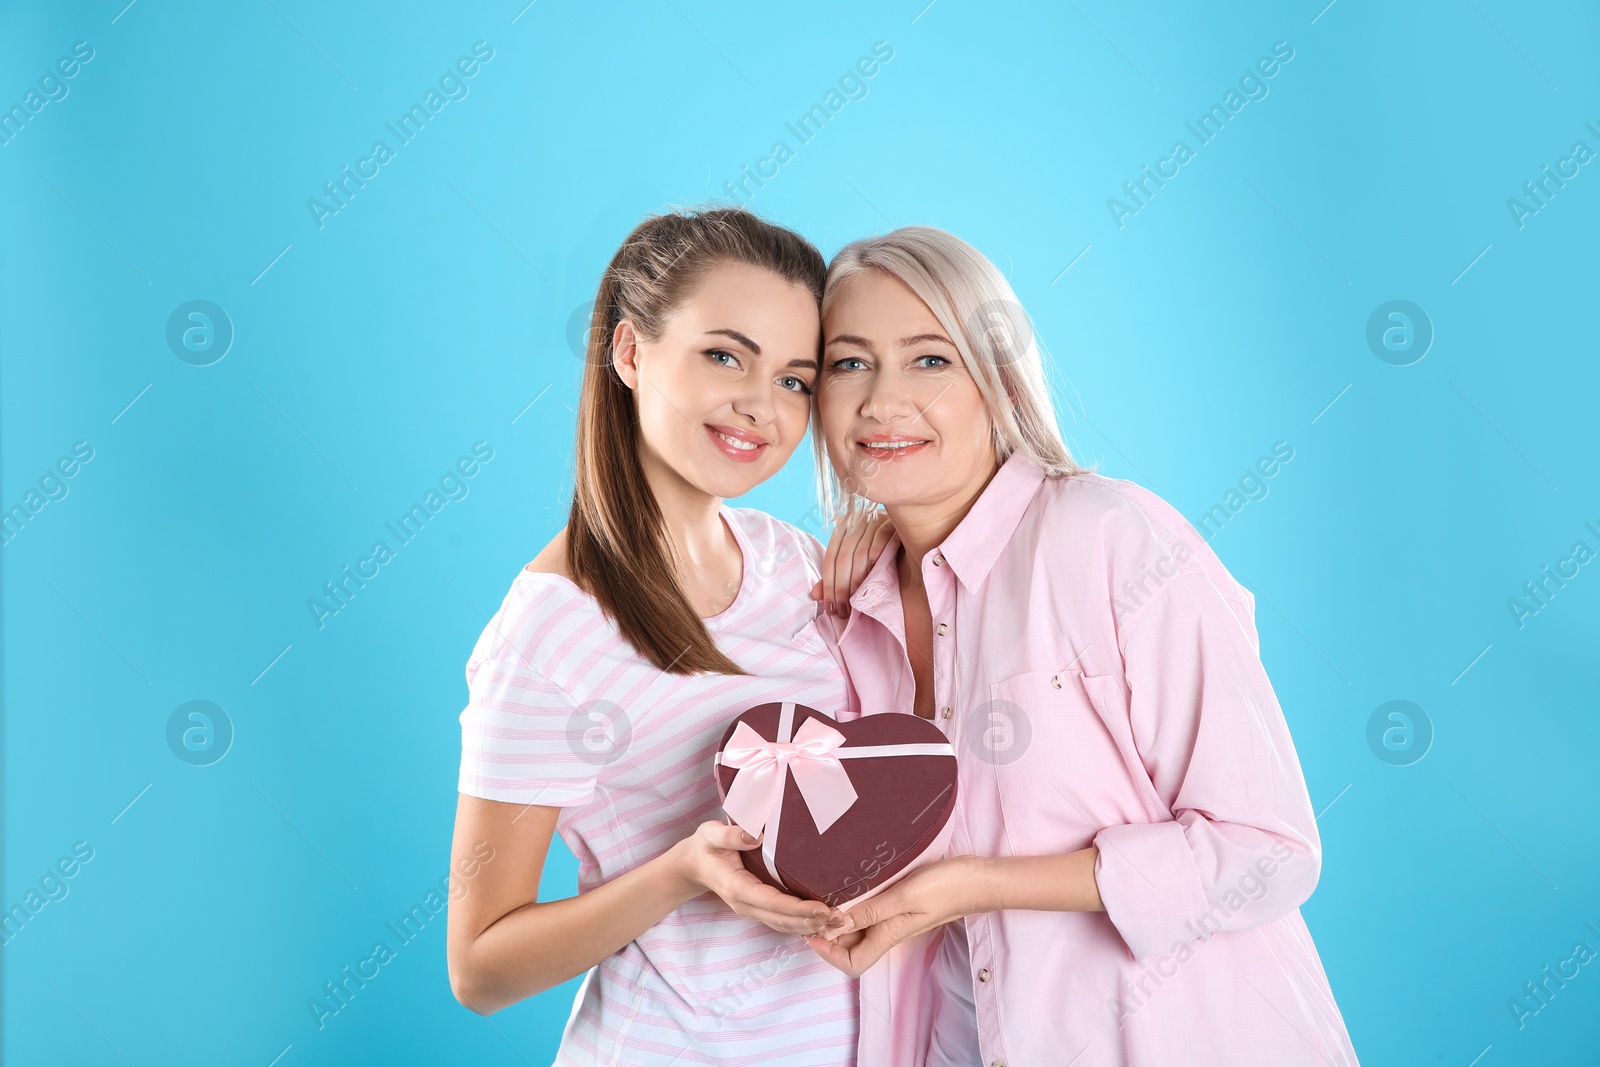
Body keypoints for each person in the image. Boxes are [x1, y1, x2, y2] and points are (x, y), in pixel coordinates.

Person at [803, 226, 1361, 1067]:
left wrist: (978, 883)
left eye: (930, 359)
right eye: (850, 363)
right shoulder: (847, 615)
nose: (882, 401)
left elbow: (1266, 847)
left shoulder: (1114, 540)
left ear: (999, 377)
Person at [445, 206, 886, 1065]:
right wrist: (683, 872)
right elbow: (479, 967)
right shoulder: (551, 630)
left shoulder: (790, 560)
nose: (761, 406)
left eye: (795, 380)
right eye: (726, 354)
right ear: (630, 353)